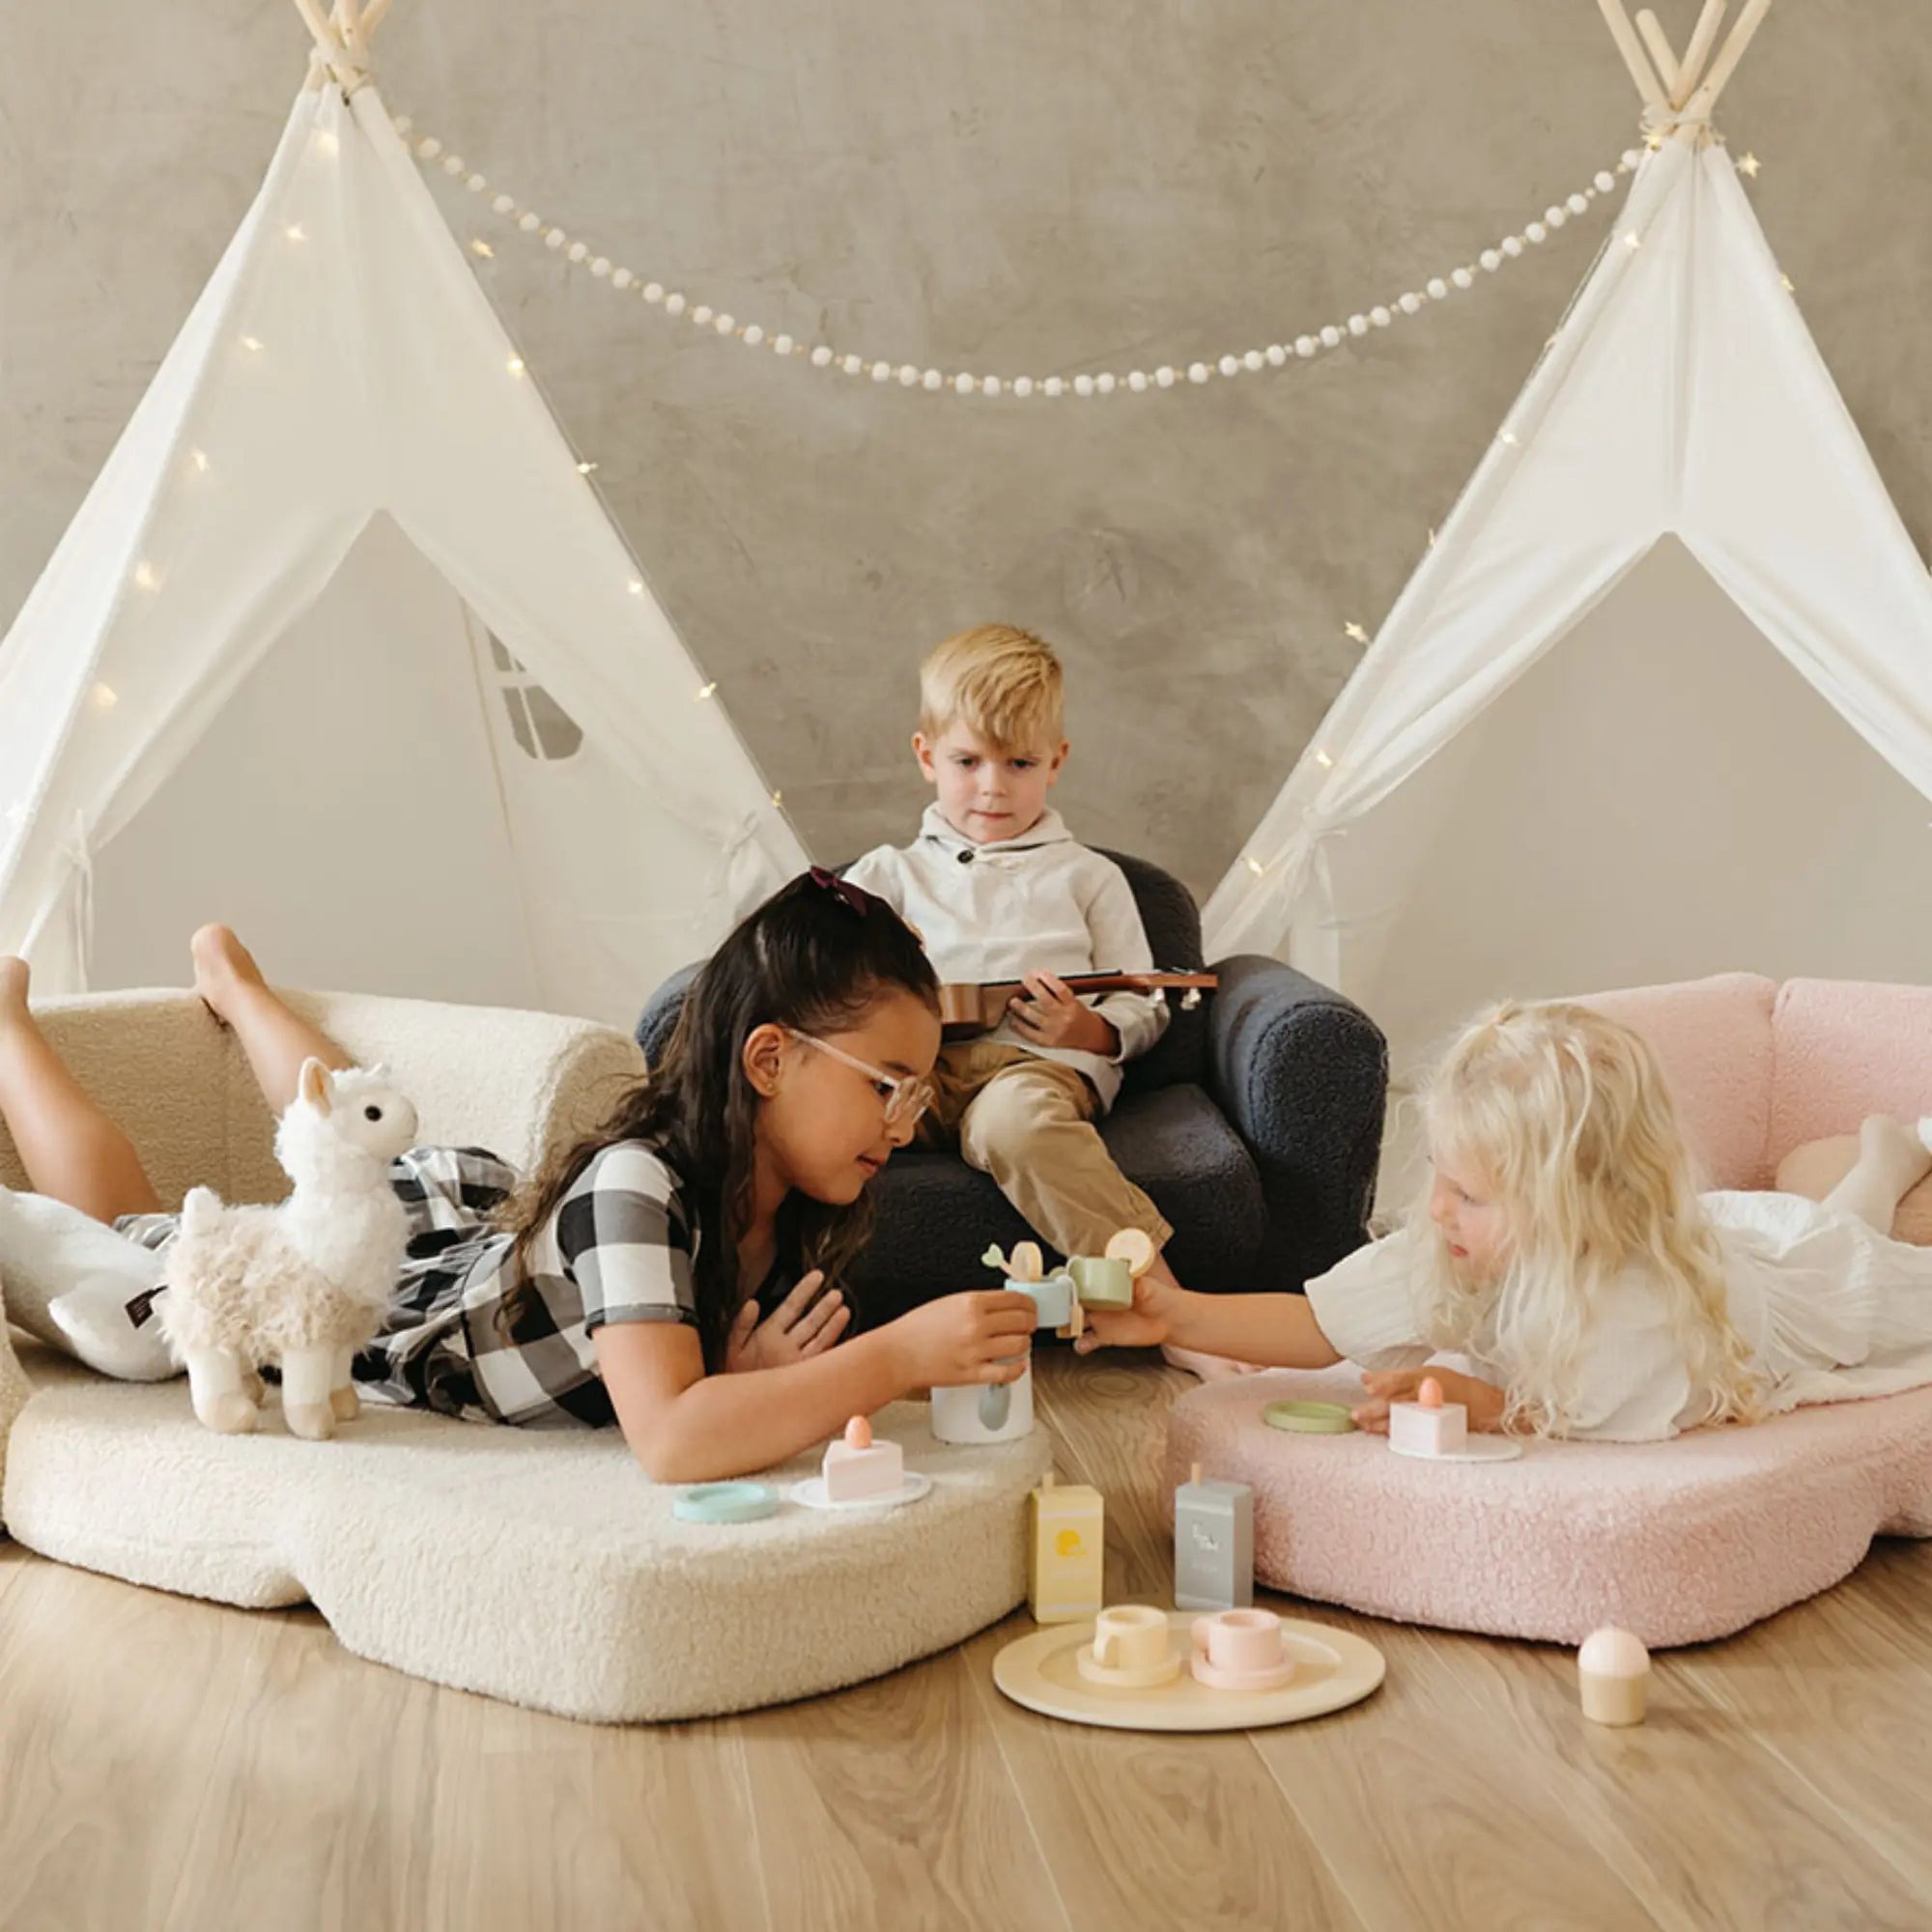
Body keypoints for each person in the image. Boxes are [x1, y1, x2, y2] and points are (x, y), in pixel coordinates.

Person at [0, 880, 1035, 1481]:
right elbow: (672, 1438)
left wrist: (746, 1378)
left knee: (354, 1145)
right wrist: (896, 1358)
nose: (907, 1125)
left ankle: (238, 988)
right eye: (887, 1087)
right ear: (768, 1061)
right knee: (147, 1235)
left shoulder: (795, 1197)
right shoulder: (641, 1182)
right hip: (416, 1307)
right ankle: (8, 1025)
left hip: (472, 1239)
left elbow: (696, 1389)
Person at [1079, 999, 1932, 1441]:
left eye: (1473, 1195)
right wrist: (1181, 1313)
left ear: (1579, 1207)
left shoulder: (1635, 1301)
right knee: (1830, 1226)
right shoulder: (1456, 1240)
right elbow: (1320, 1320)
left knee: (1857, 1262)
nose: (1437, 1207)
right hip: (1756, 1248)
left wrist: (1483, 1402)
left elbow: (1603, 1412)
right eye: (1442, 1179)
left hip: (1806, 1298)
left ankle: (1888, 1161)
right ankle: (1884, 1161)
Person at [844, 623, 1184, 1294]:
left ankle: (1163, 1303)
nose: (993, 789)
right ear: (926, 756)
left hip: (1033, 1072)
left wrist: (1088, 1030)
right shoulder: (888, 876)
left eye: (1019, 765)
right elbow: (813, 982)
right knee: (809, 1110)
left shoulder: (1088, 877)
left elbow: (1143, 1002)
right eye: (967, 763)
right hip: (913, 1073)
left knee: (1015, 1125)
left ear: (1055, 762)